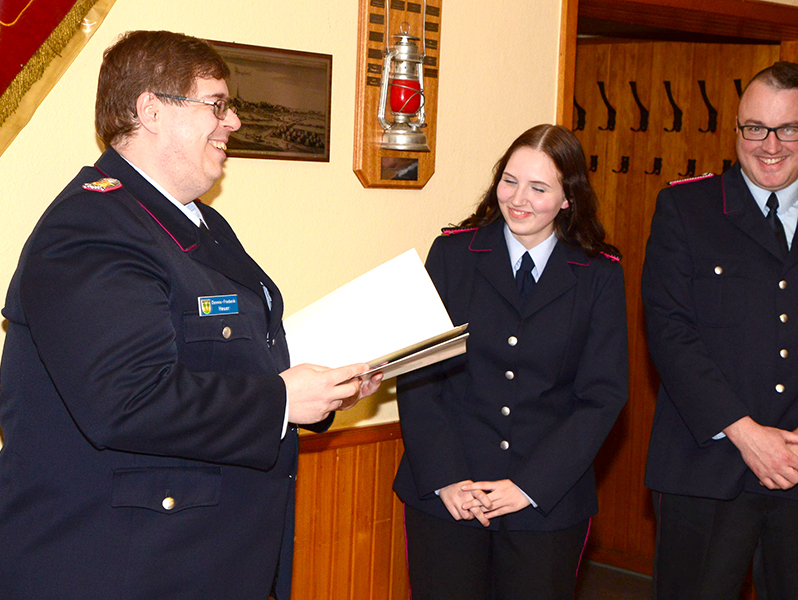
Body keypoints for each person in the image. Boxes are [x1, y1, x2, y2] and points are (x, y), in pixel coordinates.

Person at [0, 30, 380, 600]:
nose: (234, 123)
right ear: (151, 111)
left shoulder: (194, 221)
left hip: (201, 560)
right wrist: (281, 400)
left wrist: (324, 388)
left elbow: (225, 358)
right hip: (118, 568)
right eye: (217, 105)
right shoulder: (91, 228)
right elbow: (128, 401)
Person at [642, 61, 798, 600]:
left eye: (789, 129)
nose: (771, 145)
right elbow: (669, 329)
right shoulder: (685, 208)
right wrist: (744, 432)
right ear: (737, 128)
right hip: (705, 466)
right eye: (755, 128)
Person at [393, 124, 629, 599]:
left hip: (546, 506)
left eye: (539, 188)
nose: (518, 199)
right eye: (510, 181)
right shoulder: (453, 253)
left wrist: (528, 486)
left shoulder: (598, 274)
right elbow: (419, 375)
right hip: (448, 498)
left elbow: (602, 396)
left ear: (568, 198)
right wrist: (446, 479)